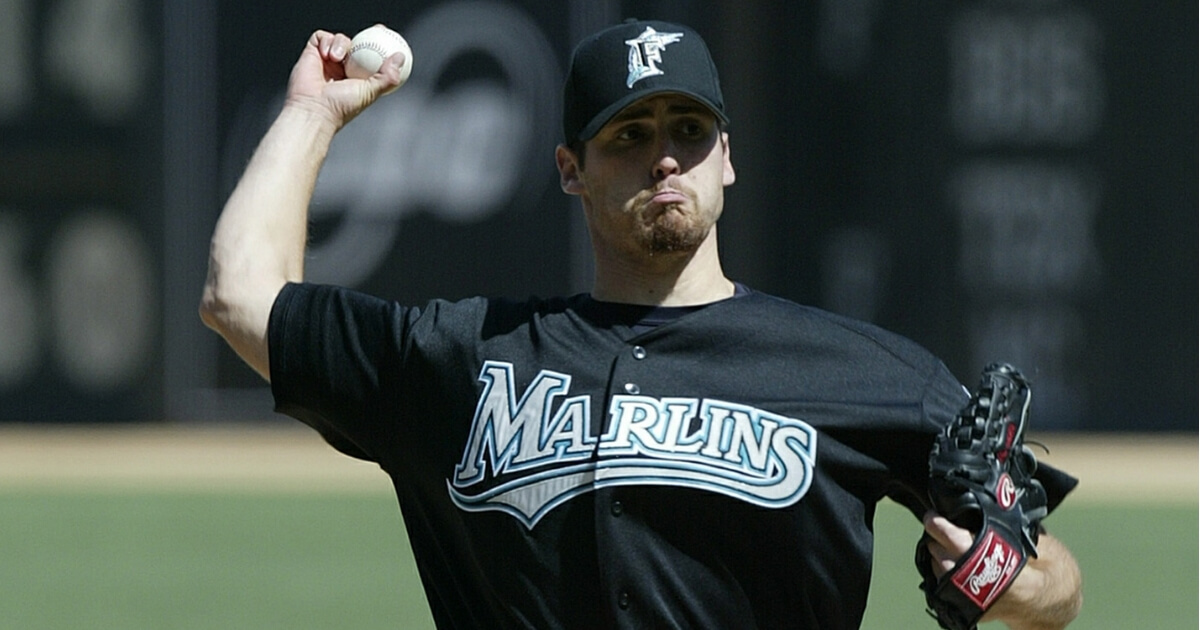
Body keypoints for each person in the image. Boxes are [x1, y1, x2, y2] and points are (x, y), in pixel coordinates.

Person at [200, 18, 1082, 630]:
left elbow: (1058, 587)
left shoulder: (865, 375)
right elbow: (239, 294)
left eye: (690, 128)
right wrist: (312, 115)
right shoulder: (463, 358)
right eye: (627, 135)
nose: (665, 155)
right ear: (569, 169)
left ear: (726, 158)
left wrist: (1008, 580)